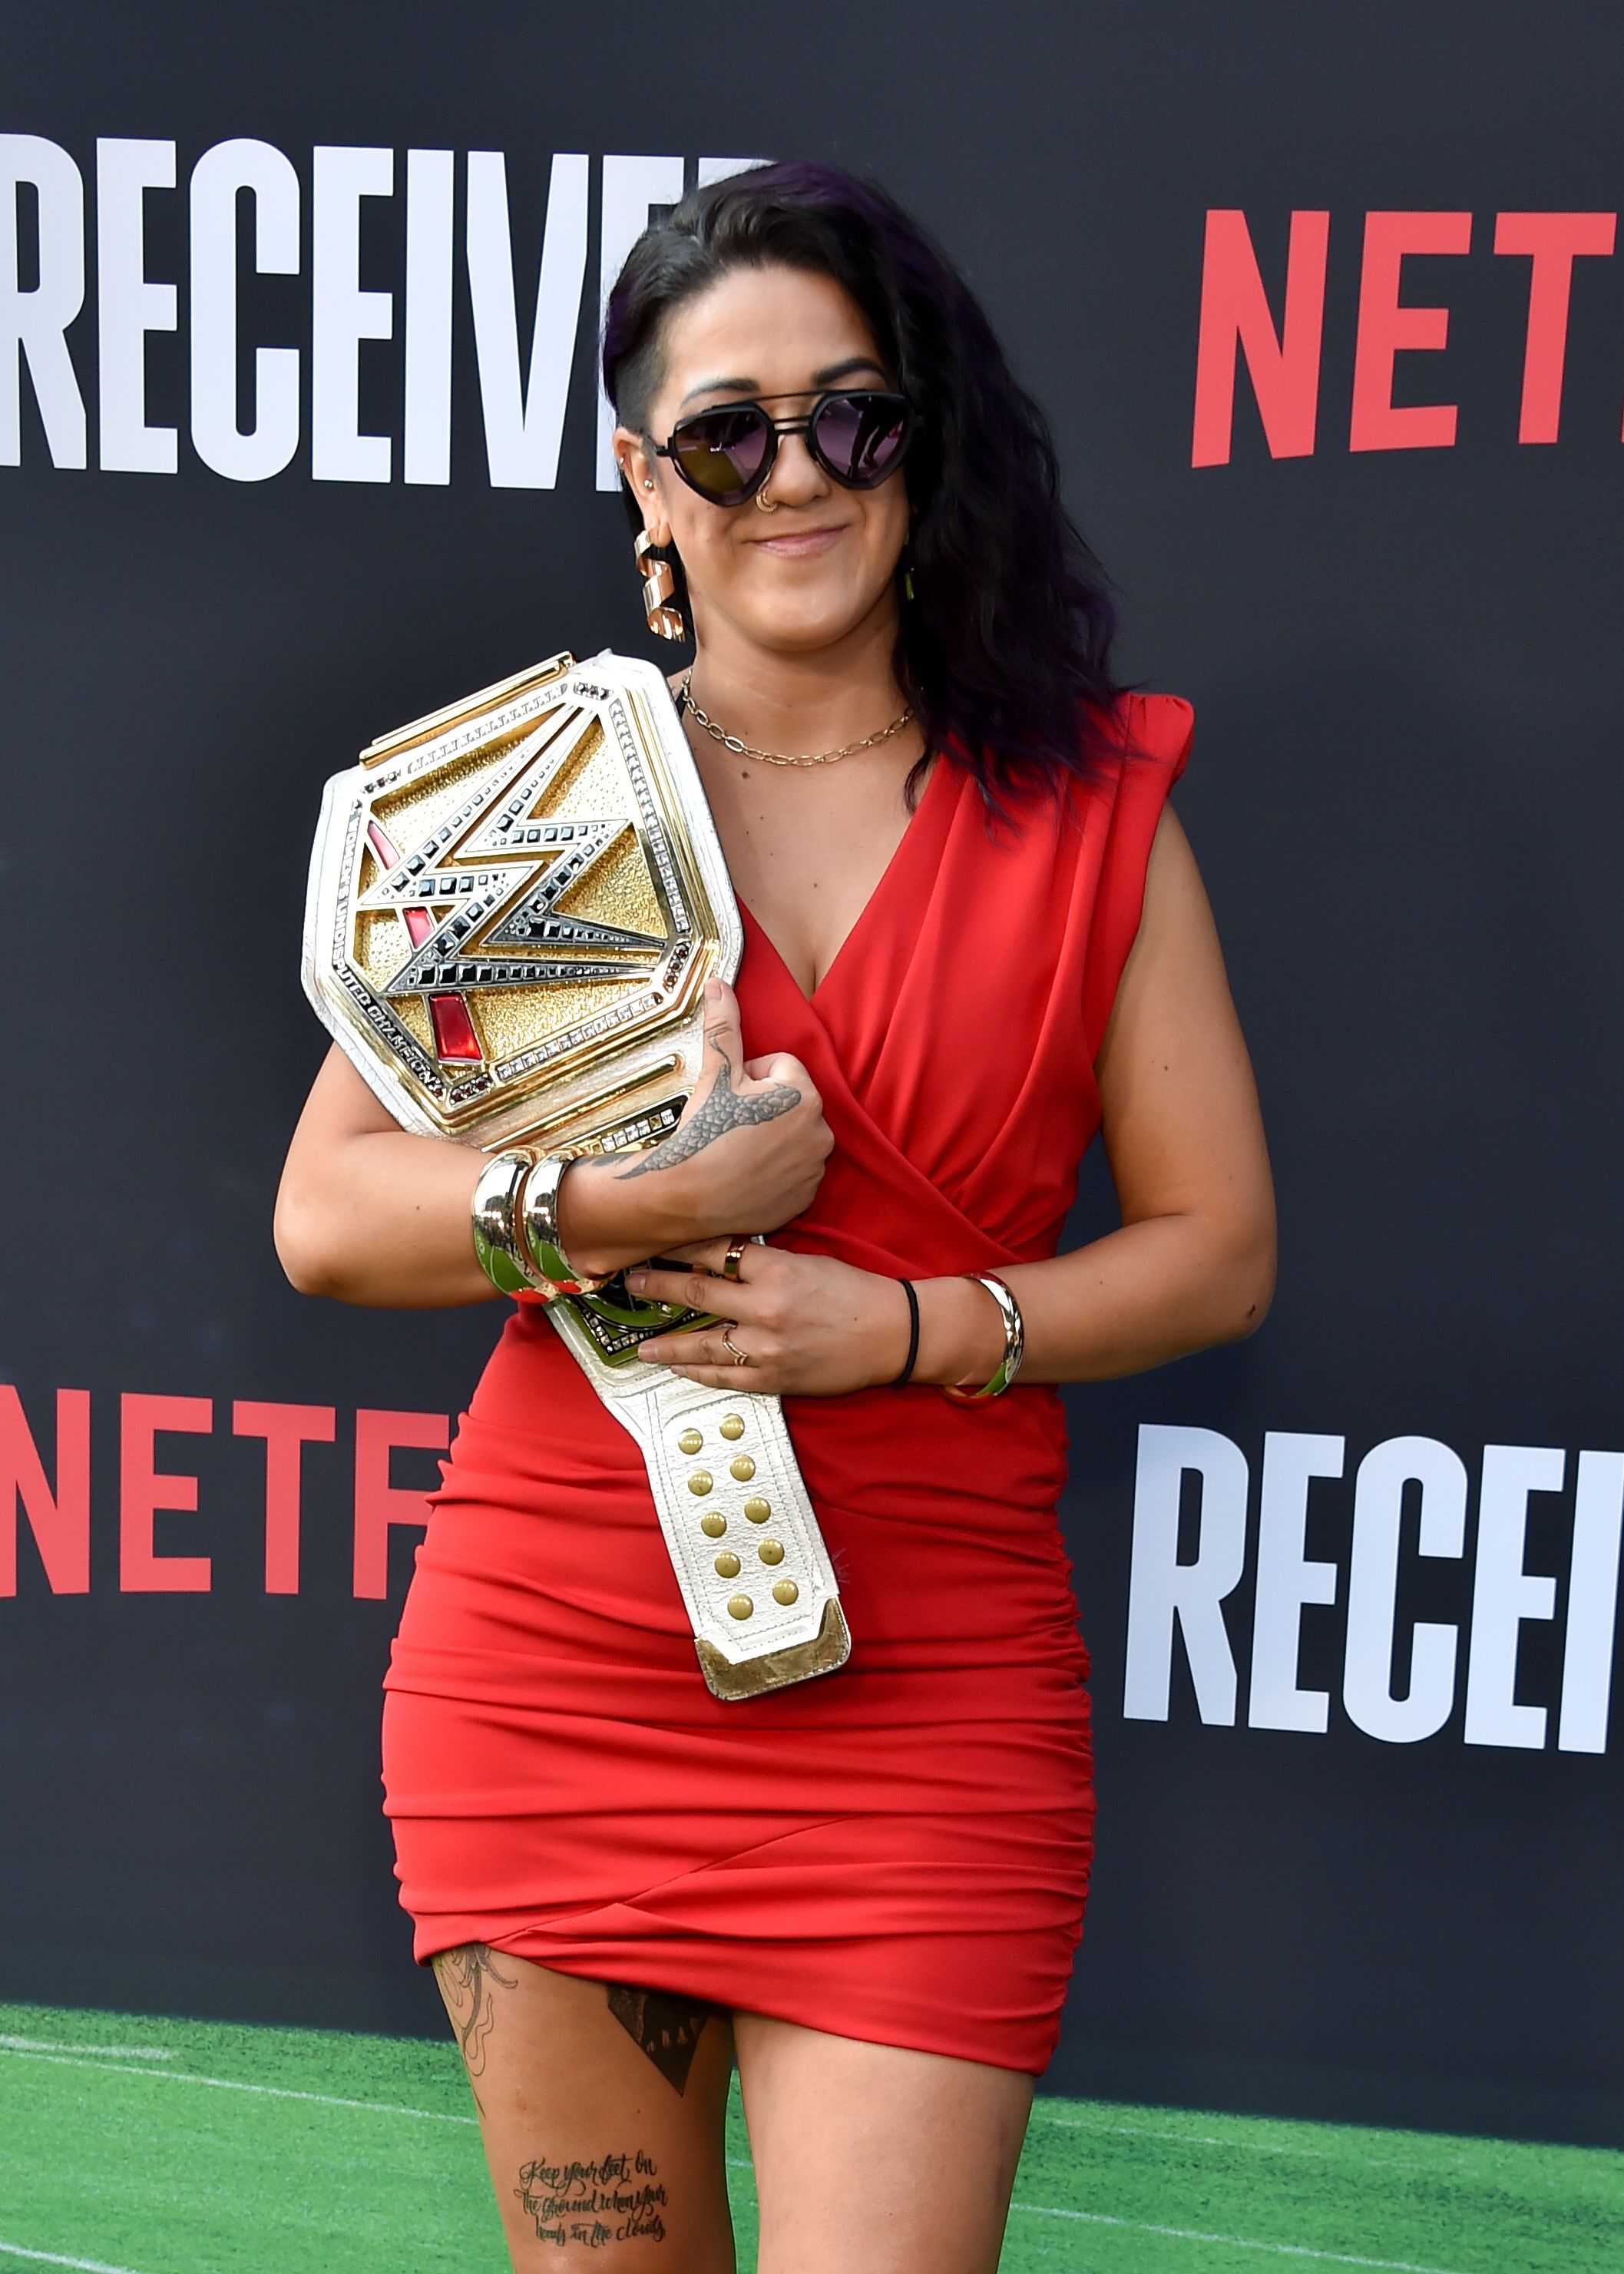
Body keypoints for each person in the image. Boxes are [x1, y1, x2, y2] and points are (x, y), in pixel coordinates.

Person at [275, 160, 1275, 2274]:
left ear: (926, 442)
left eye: (852, 418)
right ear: (644, 481)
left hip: (928, 1718)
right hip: (554, 1684)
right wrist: (635, 1199)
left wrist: (904, 1329)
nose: (795, 475)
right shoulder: (541, 802)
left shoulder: (1087, 808)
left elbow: (1217, 1247)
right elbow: (328, 1217)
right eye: (726, 436)